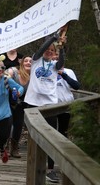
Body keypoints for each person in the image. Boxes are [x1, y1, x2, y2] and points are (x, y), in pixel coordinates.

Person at [24, 30, 66, 183]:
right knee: (34, 136)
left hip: (50, 105)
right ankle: (33, 162)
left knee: (50, 137)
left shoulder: (55, 65)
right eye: (48, 50)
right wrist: (52, 39)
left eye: (52, 51)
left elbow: (61, 62)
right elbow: (41, 49)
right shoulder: (35, 60)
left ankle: (50, 169)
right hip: (33, 103)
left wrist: (62, 47)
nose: (49, 52)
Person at [0, 49, 23, 147]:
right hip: (2, 90)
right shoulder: (0, 55)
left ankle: (13, 145)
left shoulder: (20, 57)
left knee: (17, 120)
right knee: (5, 118)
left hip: (15, 89)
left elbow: (24, 70)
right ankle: (3, 142)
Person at [7, 56, 32, 158]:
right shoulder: (14, 71)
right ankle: (5, 147)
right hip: (8, 101)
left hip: (22, 103)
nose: (28, 63)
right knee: (7, 124)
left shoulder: (34, 77)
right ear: (22, 63)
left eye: (31, 61)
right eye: (26, 61)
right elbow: (5, 75)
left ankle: (14, 147)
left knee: (18, 126)